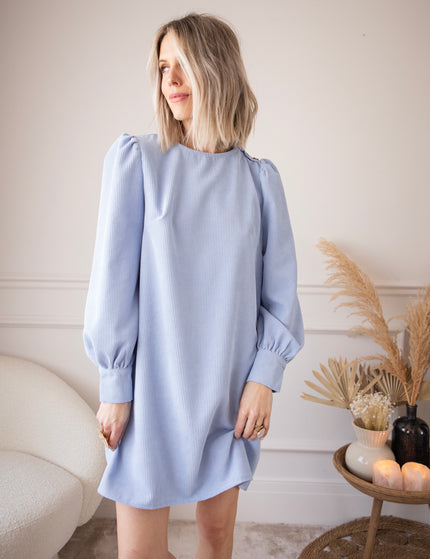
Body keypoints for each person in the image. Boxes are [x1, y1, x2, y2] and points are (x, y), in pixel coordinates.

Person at [83, 12, 304, 559]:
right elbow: (112, 283)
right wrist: (115, 384)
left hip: (228, 393)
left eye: (183, 64)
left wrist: (264, 379)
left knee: (217, 536)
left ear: (217, 69)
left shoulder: (259, 181)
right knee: (139, 553)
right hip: (150, 392)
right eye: (163, 67)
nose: (171, 80)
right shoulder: (137, 161)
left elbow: (279, 295)